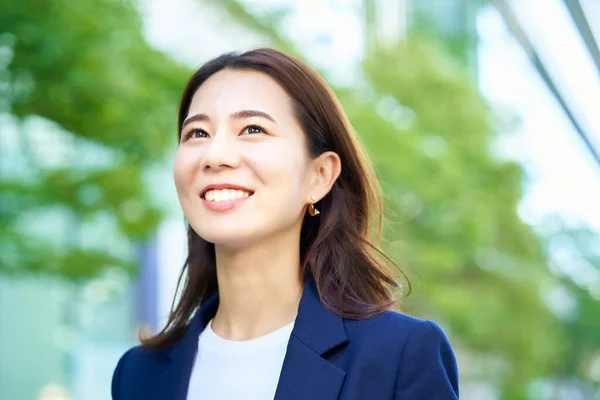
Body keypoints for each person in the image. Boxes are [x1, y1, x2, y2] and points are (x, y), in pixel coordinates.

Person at [111, 48, 459, 400]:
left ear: (319, 175)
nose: (214, 156)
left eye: (252, 128)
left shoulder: (398, 356)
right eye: (197, 133)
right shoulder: (138, 375)